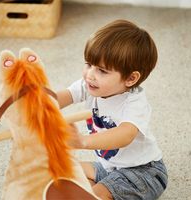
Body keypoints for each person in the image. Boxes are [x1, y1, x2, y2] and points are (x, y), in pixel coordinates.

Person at [56, 19, 168, 200]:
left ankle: (96, 192)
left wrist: (83, 141)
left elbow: (125, 135)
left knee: (94, 193)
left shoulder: (135, 102)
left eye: (102, 70)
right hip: (109, 167)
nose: (90, 74)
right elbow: (64, 96)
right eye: (89, 64)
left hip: (142, 173)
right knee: (60, 168)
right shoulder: (91, 85)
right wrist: (38, 104)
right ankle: (95, 190)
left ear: (131, 79)